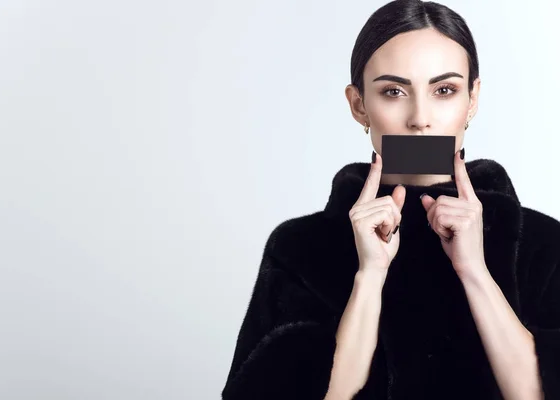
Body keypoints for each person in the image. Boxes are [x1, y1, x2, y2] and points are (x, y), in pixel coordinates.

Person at [221, 1, 560, 399]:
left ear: (473, 99)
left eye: (444, 90)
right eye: (394, 91)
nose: (420, 117)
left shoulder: (542, 242)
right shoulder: (299, 248)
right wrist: (369, 277)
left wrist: (475, 272)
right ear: (359, 105)